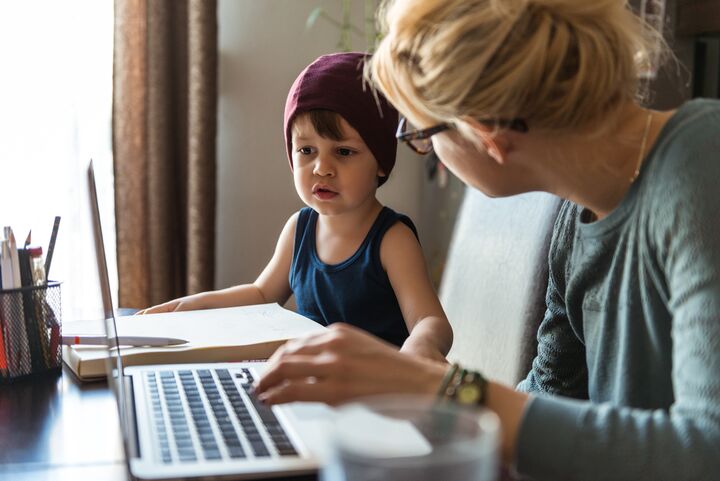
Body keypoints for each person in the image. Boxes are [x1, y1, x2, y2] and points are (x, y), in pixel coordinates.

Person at [253, 1, 720, 480]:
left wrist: (439, 388)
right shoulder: (575, 221)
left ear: (485, 131)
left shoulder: (704, 161)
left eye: (421, 133)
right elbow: (547, 398)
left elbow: (706, 451)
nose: (426, 148)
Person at [139, 52, 453, 362]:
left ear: (381, 163)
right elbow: (262, 295)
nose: (322, 168)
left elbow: (431, 322)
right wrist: (193, 306)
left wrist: (421, 345)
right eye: (306, 150)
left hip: (376, 391)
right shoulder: (299, 229)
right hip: (313, 387)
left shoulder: (391, 240)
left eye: (343, 152)